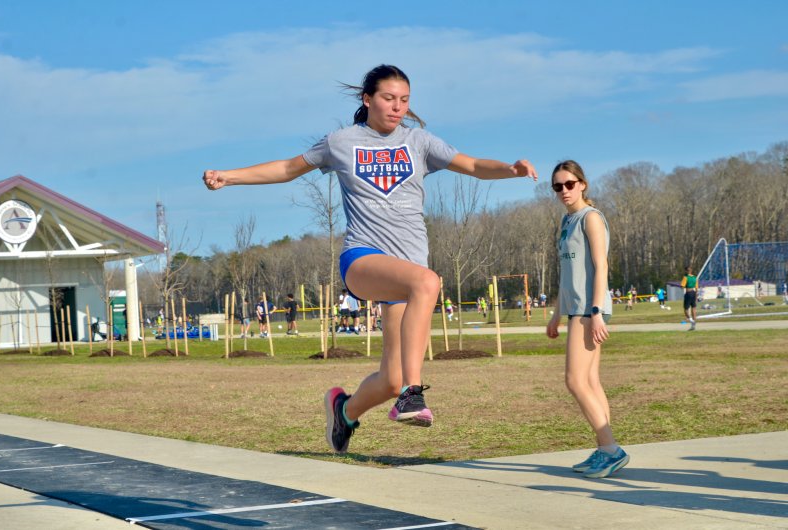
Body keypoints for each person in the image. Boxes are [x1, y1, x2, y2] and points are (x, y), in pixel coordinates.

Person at [203, 64, 537, 454]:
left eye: (404, 100)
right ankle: (413, 395)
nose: (397, 107)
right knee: (428, 282)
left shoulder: (420, 142)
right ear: (368, 99)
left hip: (405, 271)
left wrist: (510, 169)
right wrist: (230, 176)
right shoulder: (342, 141)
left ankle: (344, 411)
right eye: (388, 98)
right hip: (363, 259)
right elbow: (287, 169)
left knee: (390, 378)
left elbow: (475, 166)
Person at [546, 160, 629, 479]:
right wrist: (556, 314)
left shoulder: (591, 218)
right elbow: (568, 274)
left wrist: (596, 312)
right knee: (591, 381)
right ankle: (603, 448)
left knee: (575, 380)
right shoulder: (568, 221)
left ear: (582, 184)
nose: (564, 191)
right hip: (575, 308)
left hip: (588, 309)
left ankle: (611, 449)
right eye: (557, 186)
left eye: (569, 184)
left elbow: (601, 267)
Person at [681, 266, 698, 331]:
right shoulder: (695, 277)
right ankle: (693, 326)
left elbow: (682, 286)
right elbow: (696, 288)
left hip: (688, 293)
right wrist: (696, 296)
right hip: (694, 293)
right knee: (693, 309)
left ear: (686, 271)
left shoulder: (685, 277)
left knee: (685, 309)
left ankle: (691, 321)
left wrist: (683, 286)